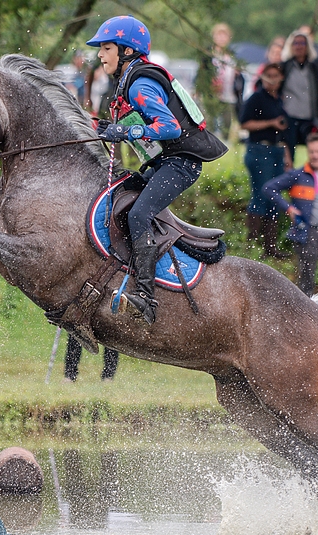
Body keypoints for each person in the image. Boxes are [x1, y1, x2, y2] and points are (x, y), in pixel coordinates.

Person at [86, 15, 227, 325]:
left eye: (106, 48)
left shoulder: (139, 83)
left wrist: (125, 133)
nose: (99, 54)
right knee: (125, 190)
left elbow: (169, 127)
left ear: (126, 51)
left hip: (182, 163)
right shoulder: (129, 79)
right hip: (166, 161)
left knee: (139, 214)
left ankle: (147, 299)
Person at [261, 133, 318, 296]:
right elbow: (269, 188)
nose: (315, 156)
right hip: (307, 233)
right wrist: (288, 208)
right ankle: (305, 317)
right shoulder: (298, 175)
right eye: (311, 152)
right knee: (306, 279)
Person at [240, 62, 292, 259]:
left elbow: (283, 130)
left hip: (276, 150)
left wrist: (286, 155)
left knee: (274, 197)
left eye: (275, 75)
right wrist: (270, 123)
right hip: (259, 149)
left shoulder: (279, 100)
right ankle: (252, 245)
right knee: (261, 195)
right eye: (268, 75)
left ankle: (270, 247)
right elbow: (245, 123)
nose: (272, 79)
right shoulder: (256, 98)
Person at [280, 29, 318, 166]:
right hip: (289, 117)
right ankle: (290, 182)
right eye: (296, 43)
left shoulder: (313, 67)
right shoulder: (285, 66)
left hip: (309, 119)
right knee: (288, 154)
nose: (299, 46)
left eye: (302, 43)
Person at [209, 23, 243, 138]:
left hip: (228, 95)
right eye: (219, 35)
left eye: (224, 35)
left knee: (227, 123)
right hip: (211, 95)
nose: (222, 38)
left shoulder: (232, 57)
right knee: (209, 122)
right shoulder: (208, 55)